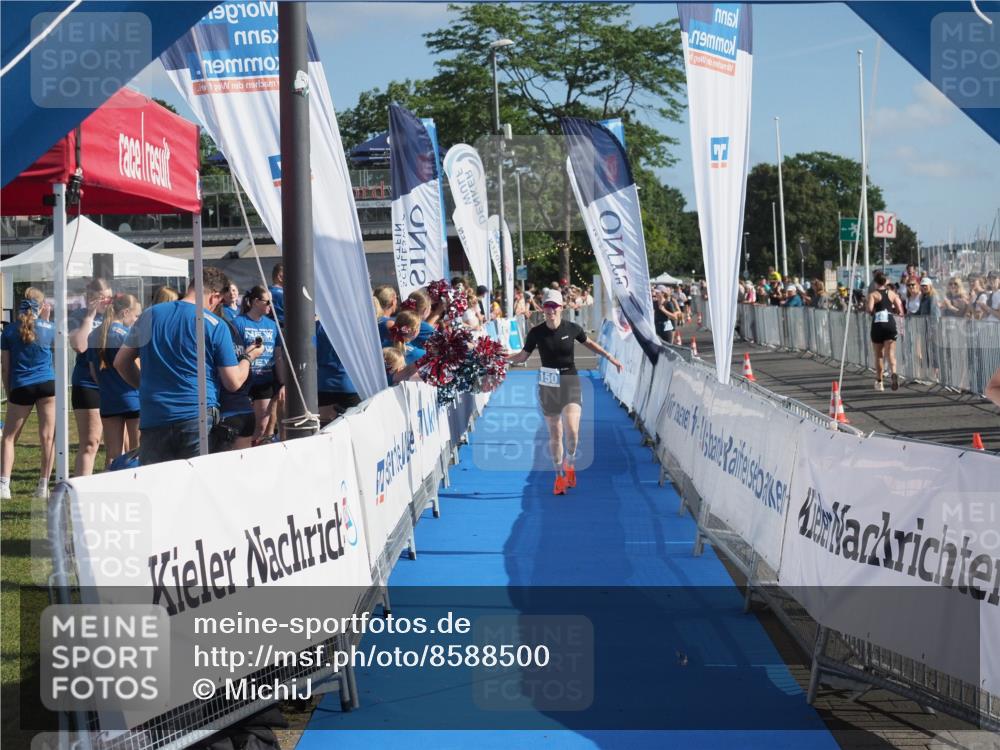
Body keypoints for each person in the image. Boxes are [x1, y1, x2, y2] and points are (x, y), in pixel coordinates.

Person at [114, 268, 262, 465]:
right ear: (215, 296)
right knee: (196, 487)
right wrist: (248, 358)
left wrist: (144, 387)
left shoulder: (149, 315)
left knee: (158, 486)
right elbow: (233, 382)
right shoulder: (215, 324)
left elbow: (121, 362)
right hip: (197, 417)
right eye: (219, 301)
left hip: (155, 415)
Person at [507, 289, 622, 496]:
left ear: (561, 308)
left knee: (572, 431)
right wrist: (503, 358)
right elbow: (523, 356)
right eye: (547, 306)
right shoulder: (536, 332)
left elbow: (590, 344)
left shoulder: (573, 328)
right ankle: (559, 476)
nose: (550, 310)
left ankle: (569, 462)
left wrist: (609, 357)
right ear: (543, 308)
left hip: (570, 380)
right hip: (548, 384)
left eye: (554, 306)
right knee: (555, 433)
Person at [1, 289, 56, 499]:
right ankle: (43, 486)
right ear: (42, 306)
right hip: (47, 384)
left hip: (21, 385)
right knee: (47, 437)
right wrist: (46, 320)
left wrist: (9, 391)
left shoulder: (9, 331)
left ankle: (4, 485)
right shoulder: (50, 328)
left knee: (9, 437)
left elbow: (5, 367)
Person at [88, 294, 142, 466]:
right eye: (136, 315)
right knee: (137, 451)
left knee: (112, 455)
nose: (136, 320)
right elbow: (138, 367)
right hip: (132, 397)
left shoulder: (94, 334)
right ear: (125, 312)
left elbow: (93, 371)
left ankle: (109, 489)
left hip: (108, 399)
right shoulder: (127, 334)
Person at [69, 277, 113, 476]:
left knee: (115, 444)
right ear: (90, 298)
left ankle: (110, 487)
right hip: (87, 383)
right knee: (91, 441)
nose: (107, 302)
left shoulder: (116, 314)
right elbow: (79, 346)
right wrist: (90, 316)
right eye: (102, 298)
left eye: (110, 298)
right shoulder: (78, 315)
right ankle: (81, 492)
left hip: (113, 383)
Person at [233, 286, 283, 445]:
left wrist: (282, 383)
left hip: (265, 380)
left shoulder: (272, 325)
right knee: (245, 426)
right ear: (255, 302)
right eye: (267, 302)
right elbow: (232, 354)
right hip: (244, 380)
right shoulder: (238, 323)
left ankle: (254, 452)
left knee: (262, 426)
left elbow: (278, 355)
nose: (271, 306)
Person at [317, 320, 361, 425]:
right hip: (350, 384)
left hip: (325, 383)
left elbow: (312, 348)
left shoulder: (318, 326)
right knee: (351, 427)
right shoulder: (356, 324)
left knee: (325, 428)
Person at [866, 270, 904, 391]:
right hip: (890, 323)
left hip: (878, 324)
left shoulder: (873, 295)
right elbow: (900, 308)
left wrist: (872, 310)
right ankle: (893, 373)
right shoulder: (892, 294)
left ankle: (879, 381)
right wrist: (895, 311)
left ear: (875, 283)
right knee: (891, 353)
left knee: (879, 355)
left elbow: (869, 309)